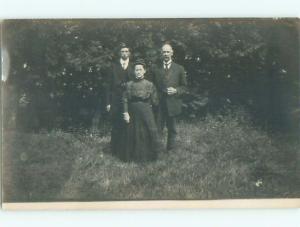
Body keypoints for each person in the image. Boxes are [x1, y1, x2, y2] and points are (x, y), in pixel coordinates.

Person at [122, 59, 161, 162]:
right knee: (132, 133)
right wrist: (125, 112)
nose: (138, 71)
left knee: (148, 131)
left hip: (146, 111)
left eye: (140, 69)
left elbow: (155, 102)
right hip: (133, 111)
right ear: (134, 72)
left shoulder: (149, 84)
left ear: (144, 71)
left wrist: (152, 107)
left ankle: (148, 157)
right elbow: (125, 99)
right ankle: (132, 157)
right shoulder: (129, 84)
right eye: (136, 70)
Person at [151, 43, 187, 151]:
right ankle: (157, 150)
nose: (166, 54)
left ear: (172, 53)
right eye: (164, 52)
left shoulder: (179, 68)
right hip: (159, 103)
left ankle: (171, 150)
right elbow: (151, 86)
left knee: (172, 128)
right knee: (158, 128)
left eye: (168, 52)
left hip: (173, 103)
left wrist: (176, 90)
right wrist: (154, 99)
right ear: (161, 53)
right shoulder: (155, 68)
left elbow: (184, 87)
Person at [105, 43, 134, 158]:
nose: (125, 53)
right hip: (115, 101)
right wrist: (108, 103)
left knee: (128, 124)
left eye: (127, 51)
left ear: (129, 53)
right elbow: (107, 86)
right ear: (119, 53)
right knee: (116, 125)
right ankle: (114, 150)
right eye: (122, 51)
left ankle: (126, 151)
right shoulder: (113, 66)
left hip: (129, 101)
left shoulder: (133, 67)